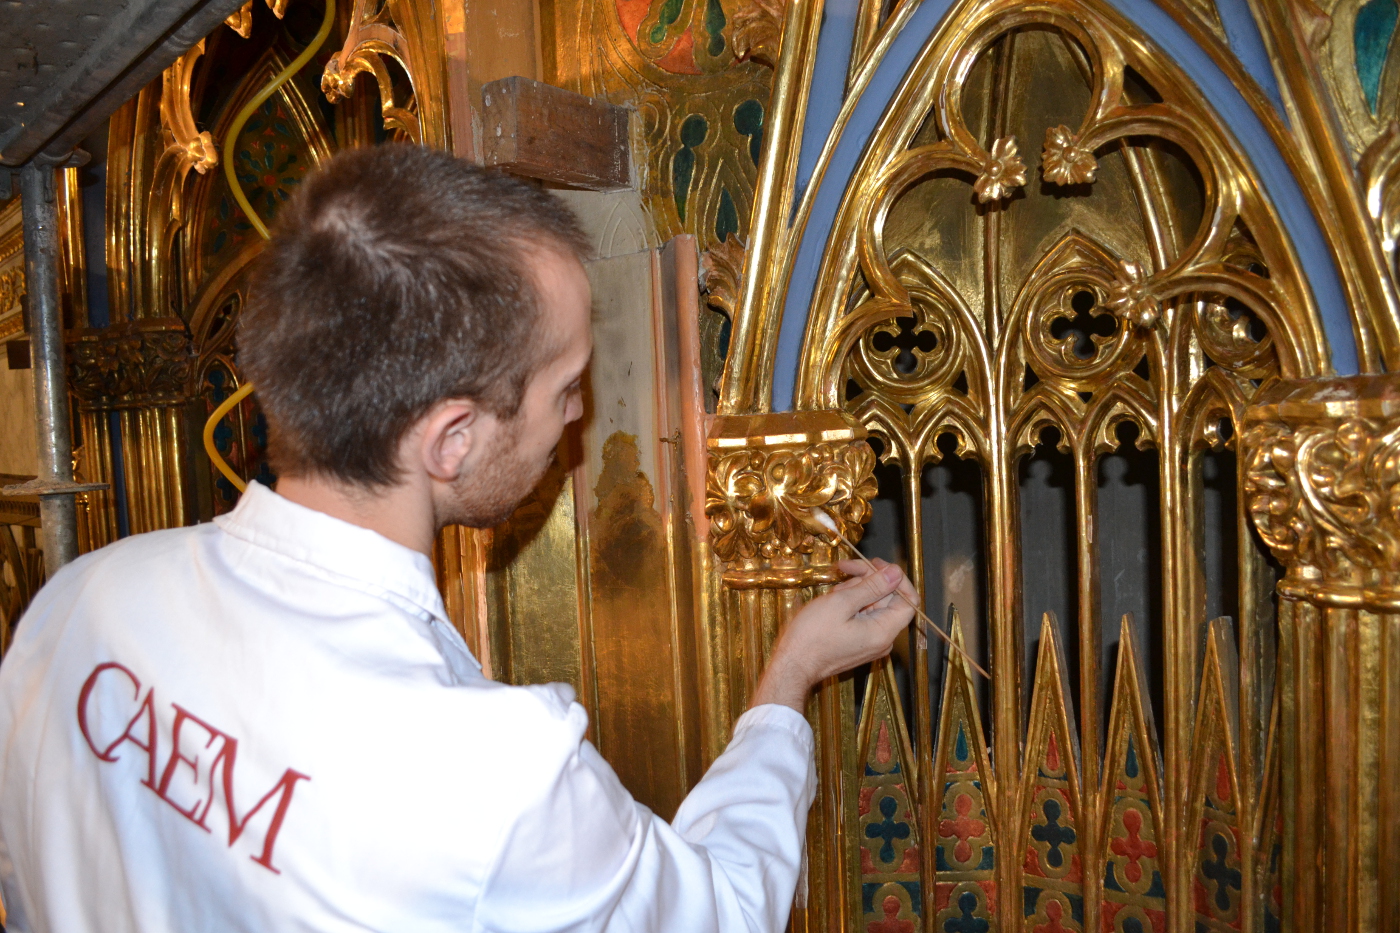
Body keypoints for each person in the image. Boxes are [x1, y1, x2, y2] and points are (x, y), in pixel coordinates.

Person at [0, 144, 916, 932]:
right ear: (452, 438)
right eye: (566, 386)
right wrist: (787, 679)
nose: (577, 413)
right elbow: (721, 910)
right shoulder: (495, 780)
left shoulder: (80, 603)